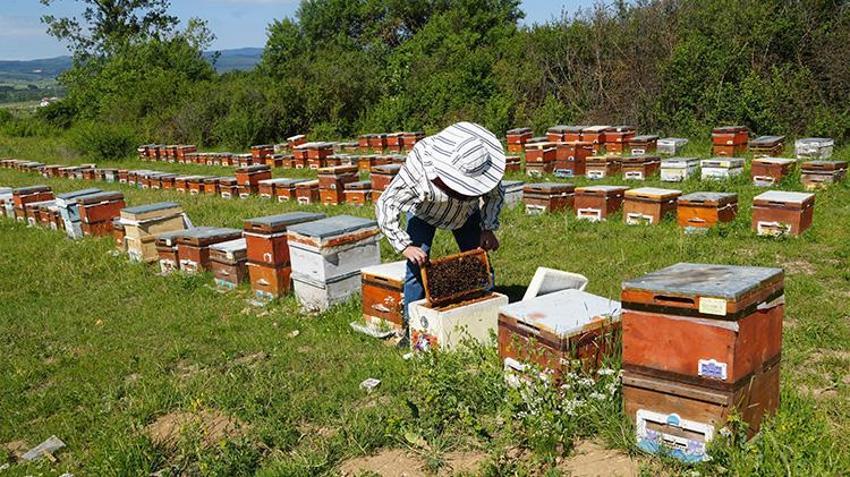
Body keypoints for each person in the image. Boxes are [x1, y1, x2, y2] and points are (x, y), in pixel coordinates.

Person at [375, 121, 506, 346]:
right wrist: (405, 246)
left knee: (479, 262)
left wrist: (488, 227)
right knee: (417, 267)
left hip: (466, 215)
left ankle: (489, 319)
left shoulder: (481, 164)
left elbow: (496, 194)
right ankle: (412, 328)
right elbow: (386, 204)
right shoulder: (420, 170)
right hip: (424, 213)